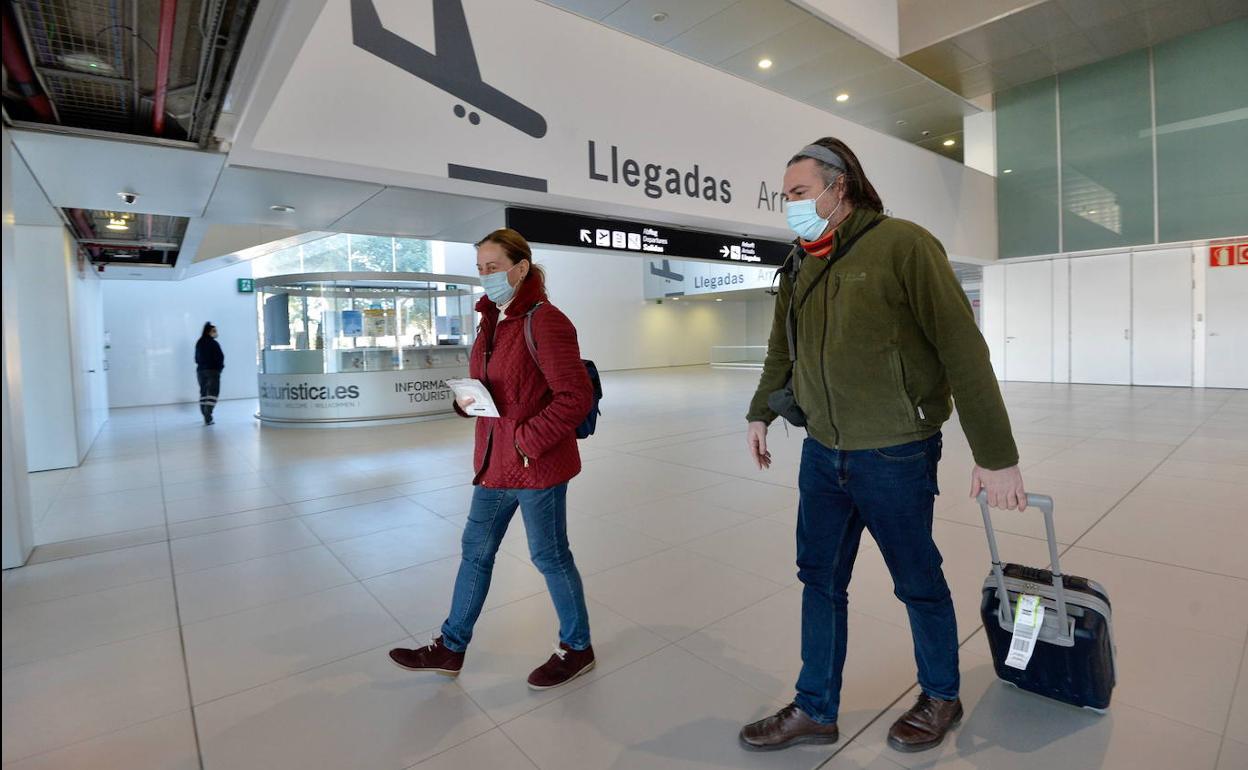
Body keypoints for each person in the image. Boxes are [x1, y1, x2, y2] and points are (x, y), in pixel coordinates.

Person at [738, 138, 1027, 754]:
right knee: (818, 580)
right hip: (822, 453)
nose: (789, 205)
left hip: (895, 452)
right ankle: (815, 708)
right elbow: (780, 352)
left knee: (916, 579)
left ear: (839, 186)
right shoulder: (798, 262)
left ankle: (941, 695)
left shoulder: (904, 245)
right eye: (784, 196)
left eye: (798, 193)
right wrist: (761, 411)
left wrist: (996, 455)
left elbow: (961, 348)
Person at [389, 228, 597, 690]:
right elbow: (499, 390)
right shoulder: (491, 321)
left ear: (520, 267)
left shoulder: (546, 320)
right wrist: (469, 403)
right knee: (475, 554)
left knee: (549, 556)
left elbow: (574, 396)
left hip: (535, 465)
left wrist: (527, 440)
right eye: (480, 269)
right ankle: (451, 646)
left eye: (494, 267)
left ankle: (577, 647)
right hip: (494, 465)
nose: (486, 277)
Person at [194, 322, 224, 426]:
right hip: (212, 371)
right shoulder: (213, 343)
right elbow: (220, 357)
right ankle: (208, 416)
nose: (216, 333)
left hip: (200, 371)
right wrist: (219, 368)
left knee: (203, 393)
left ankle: (204, 414)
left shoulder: (199, 342)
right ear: (209, 331)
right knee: (212, 394)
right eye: (214, 331)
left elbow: (196, 358)